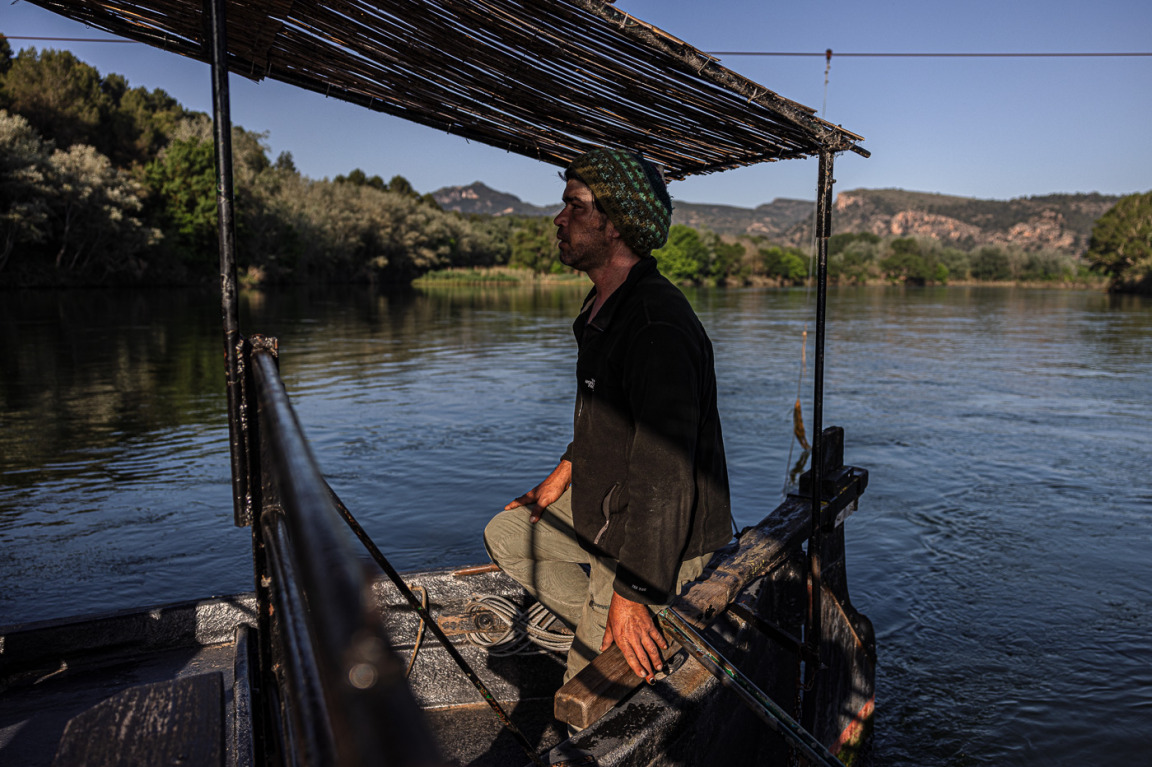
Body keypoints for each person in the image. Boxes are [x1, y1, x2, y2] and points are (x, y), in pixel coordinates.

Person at [483, 147, 732, 686]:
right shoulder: (603, 307)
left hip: (651, 532)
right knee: (508, 531)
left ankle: (625, 621)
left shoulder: (653, 326)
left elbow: (665, 482)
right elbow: (609, 417)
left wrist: (630, 594)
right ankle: (618, 628)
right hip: (605, 505)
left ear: (614, 224)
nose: (559, 219)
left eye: (574, 206)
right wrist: (564, 471)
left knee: (582, 705)